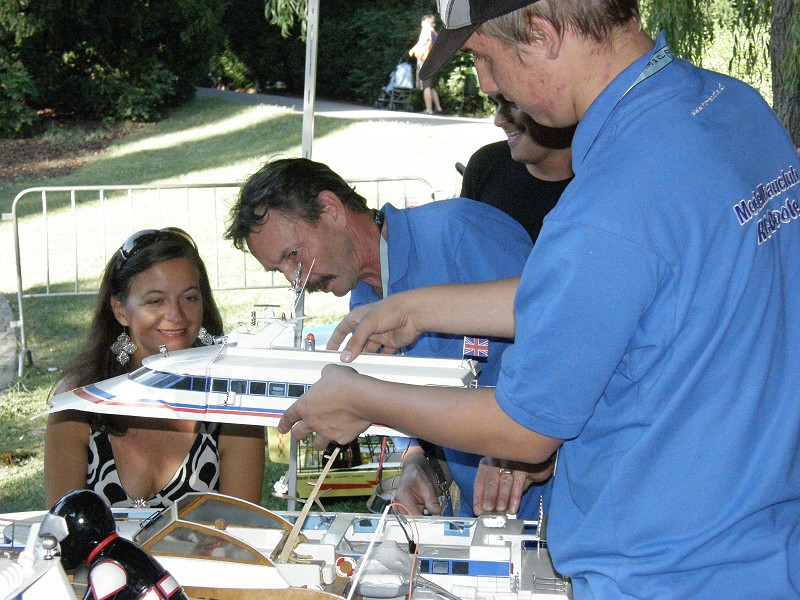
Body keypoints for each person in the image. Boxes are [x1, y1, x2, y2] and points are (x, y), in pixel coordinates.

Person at [277, 1, 800, 598]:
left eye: (484, 57)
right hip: (767, 540)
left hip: (667, 569)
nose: (486, 84)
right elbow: (600, 292)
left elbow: (523, 428)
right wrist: (413, 308)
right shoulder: (731, 107)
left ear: (543, 35)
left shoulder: (611, 196)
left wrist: (360, 397)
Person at [224, 157, 554, 518]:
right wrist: (419, 464)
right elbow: (424, 413)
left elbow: (567, 335)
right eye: (280, 270)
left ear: (332, 210)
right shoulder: (364, 303)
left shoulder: (459, 232)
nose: (295, 280)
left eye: (293, 256)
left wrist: (533, 452)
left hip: (560, 508)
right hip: (486, 520)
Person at [44, 227, 265, 509]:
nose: (175, 315)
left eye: (189, 298)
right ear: (120, 310)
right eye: (155, 301)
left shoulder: (232, 400)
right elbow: (62, 525)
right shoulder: (78, 401)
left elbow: (241, 523)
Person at [461, 92, 574, 242]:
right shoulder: (487, 163)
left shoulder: (596, 181)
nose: (498, 120)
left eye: (513, 103)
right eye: (495, 104)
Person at [409, 14, 443, 114]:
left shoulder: (426, 30)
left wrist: (412, 50)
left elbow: (422, 42)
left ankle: (429, 109)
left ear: (424, 22)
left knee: (426, 87)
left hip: (425, 61)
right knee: (432, 87)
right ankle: (438, 108)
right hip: (434, 62)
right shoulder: (434, 33)